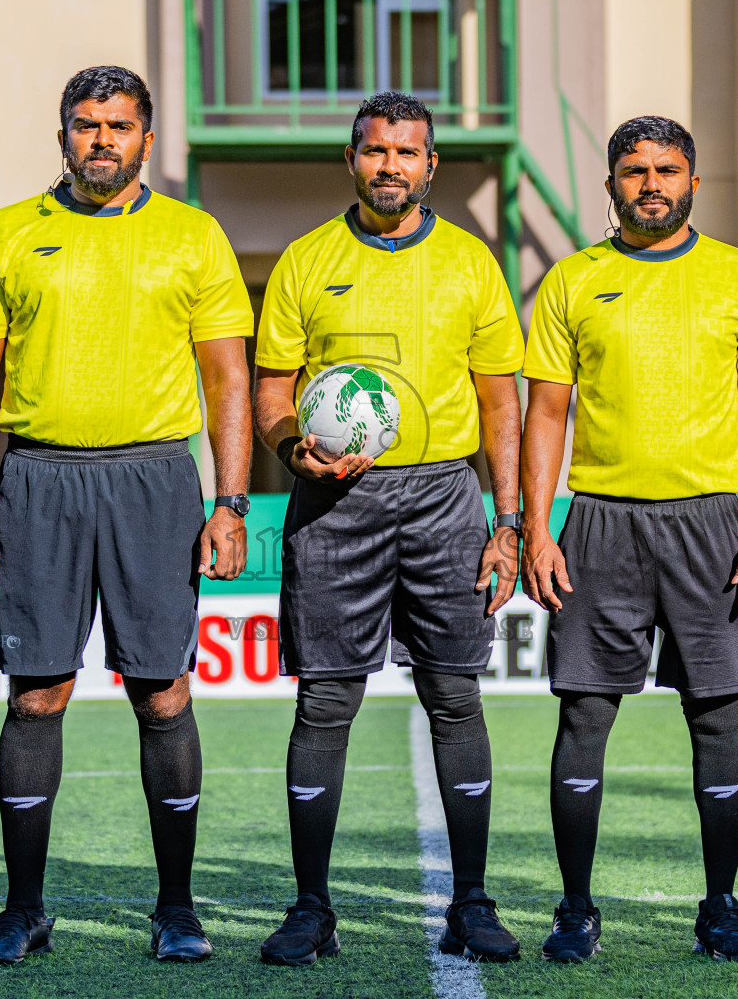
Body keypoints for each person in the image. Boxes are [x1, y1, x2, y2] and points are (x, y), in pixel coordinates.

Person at [0, 66, 254, 965]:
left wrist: (230, 502)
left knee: (162, 692)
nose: (103, 140)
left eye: (120, 126)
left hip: (156, 480)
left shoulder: (193, 237)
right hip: (38, 478)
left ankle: (177, 909)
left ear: (147, 140)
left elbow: (228, 376)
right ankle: (23, 910)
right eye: (87, 125)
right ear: (63, 134)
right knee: (37, 692)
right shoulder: (8, 234)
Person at [252, 92, 525, 965]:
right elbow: (271, 391)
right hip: (335, 504)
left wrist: (508, 520)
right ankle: (310, 908)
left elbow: (499, 404)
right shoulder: (304, 261)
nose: (391, 166)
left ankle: (472, 903)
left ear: (431, 165)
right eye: (375, 151)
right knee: (325, 698)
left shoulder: (472, 264)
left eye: (407, 152)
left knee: (454, 693)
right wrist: (295, 448)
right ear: (352, 159)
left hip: (446, 495)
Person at [520, 116, 738, 963]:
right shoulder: (571, 280)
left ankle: (721, 908)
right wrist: (537, 528)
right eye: (633, 170)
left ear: (693, 183)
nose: (650, 184)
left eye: (667, 169)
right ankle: (574, 908)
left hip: (711, 523)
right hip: (599, 521)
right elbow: (548, 417)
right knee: (584, 716)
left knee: (717, 717)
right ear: (609, 185)